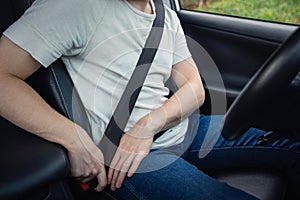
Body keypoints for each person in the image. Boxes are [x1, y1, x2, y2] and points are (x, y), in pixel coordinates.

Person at [0, 0, 299, 199]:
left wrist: (147, 124)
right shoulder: (75, 6)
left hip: (185, 130)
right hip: (131, 161)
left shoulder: (164, 15)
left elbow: (194, 87)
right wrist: (74, 138)